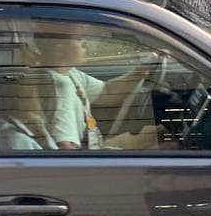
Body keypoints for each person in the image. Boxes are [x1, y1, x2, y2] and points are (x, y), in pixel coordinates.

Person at [35, 25, 164, 150]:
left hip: (95, 146)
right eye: (78, 38)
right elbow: (65, 148)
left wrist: (139, 72)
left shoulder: (70, 74)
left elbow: (107, 92)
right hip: (88, 156)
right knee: (167, 144)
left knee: (157, 134)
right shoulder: (60, 89)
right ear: (59, 48)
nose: (84, 42)